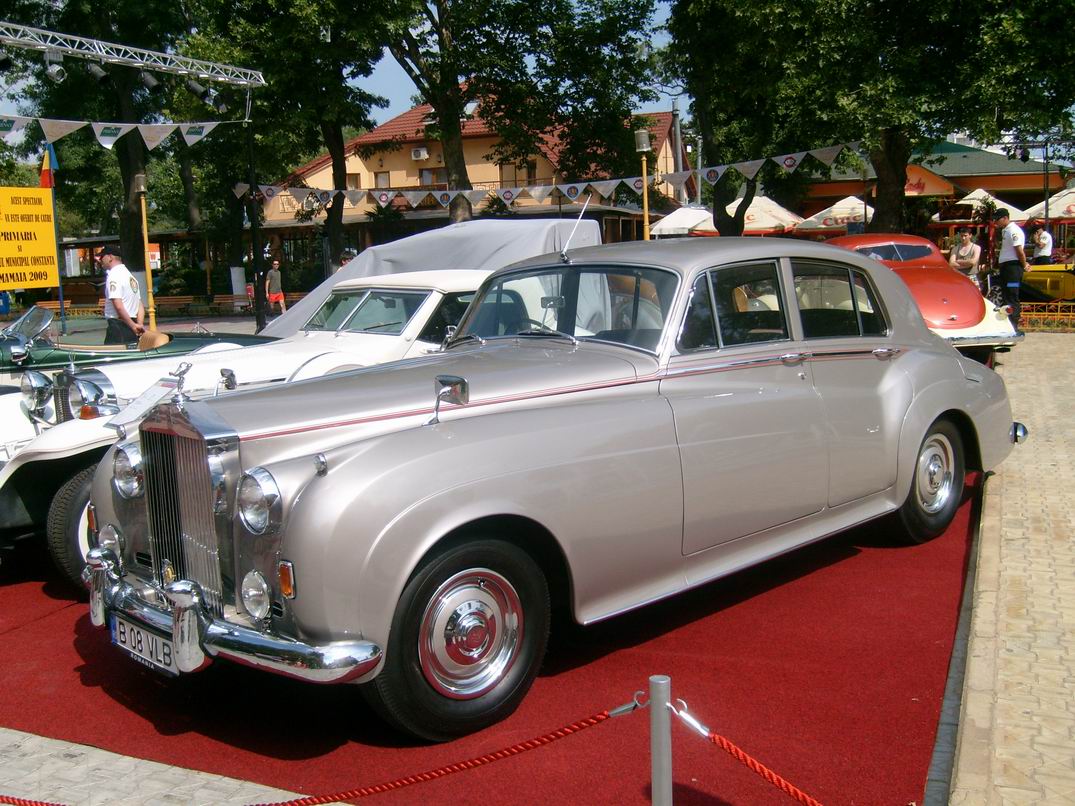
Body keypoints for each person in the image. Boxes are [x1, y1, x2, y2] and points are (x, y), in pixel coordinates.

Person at [98, 245, 146, 345]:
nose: (100, 259)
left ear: (110, 257)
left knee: (113, 354)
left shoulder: (114, 276)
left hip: (118, 326)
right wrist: (139, 324)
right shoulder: (130, 277)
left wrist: (133, 326)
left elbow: (118, 306)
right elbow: (139, 304)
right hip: (132, 324)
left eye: (102, 256)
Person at [994, 208, 1027, 333]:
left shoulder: (1013, 230)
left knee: (1012, 295)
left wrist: (1024, 264)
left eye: (997, 219)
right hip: (1007, 267)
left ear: (1005, 218)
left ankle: (1013, 325)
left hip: (1013, 268)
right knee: (1006, 295)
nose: (996, 222)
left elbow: (1019, 250)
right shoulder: (1005, 230)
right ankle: (1007, 324)